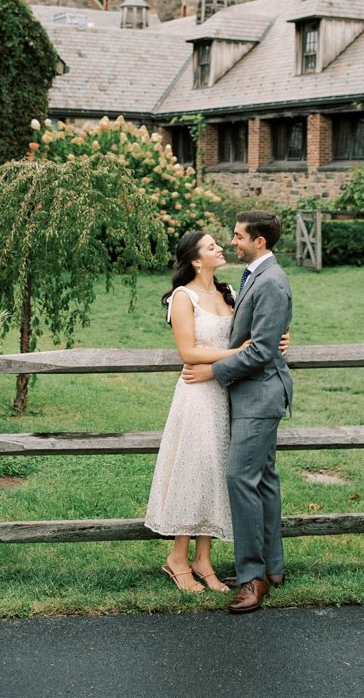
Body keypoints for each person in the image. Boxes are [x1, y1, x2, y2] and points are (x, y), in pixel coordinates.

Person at [183, 209, 293, 614]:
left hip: (260, 395)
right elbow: (258, 335)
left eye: (239, 236)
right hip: (253, 394)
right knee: (263, 480)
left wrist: (213, 370)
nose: (233, 242)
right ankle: (273, 566)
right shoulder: (256, 278)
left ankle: (252, 579)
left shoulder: (271, 281)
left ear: (259, 242)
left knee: (240, 478)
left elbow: (262, 351)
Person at [144, 230, 247, 592]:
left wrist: (282, 337)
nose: (221, 248)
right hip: (197, 394)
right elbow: (188, 352)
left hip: (227, 394)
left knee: (217, 472)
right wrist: (239, 355)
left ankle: (203, 560)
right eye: (211, 246)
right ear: (195, 260)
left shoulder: (229, 292)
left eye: (219, 243)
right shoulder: (182, 297)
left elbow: (254, 331)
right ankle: (177, 557)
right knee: (195, 468)